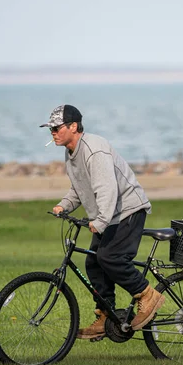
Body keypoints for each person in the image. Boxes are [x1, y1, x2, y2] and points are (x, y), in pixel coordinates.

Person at [40, 104, 165, 339]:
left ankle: (147, 295)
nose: (53, 133)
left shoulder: (94, 150)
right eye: (51, 129)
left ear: (73, 126)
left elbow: (107, 189)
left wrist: (100, 221)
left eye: (56, 128)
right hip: (109, 216)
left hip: (127, 210)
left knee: (109, 257)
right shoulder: (70, 154)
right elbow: (79, 190)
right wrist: (63, 205)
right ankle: (106, 316)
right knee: (94, 263)